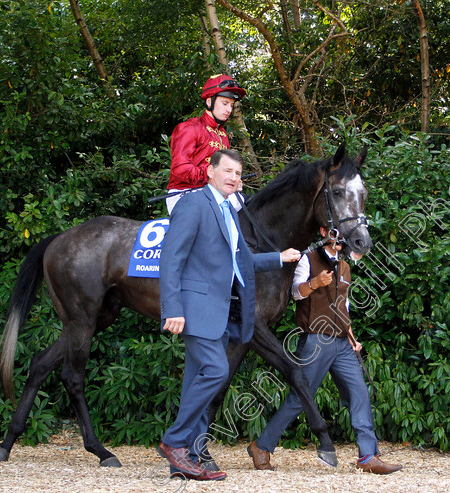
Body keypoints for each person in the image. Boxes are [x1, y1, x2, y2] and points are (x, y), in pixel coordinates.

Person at [157, 149, 301, 481]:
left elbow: (241, 262)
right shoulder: (194, 204)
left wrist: (279, 258)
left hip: (222, 311)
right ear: (209, 172)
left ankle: (188, 455)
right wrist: (173, 309)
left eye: (238, 173)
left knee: (196, 380)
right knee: (217, 370)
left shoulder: (229, 211)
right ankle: (174, 441)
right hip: (195, 309)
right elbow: (170, 259)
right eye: (228, 171)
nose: (234, 177)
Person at [246, 227, 403, 475]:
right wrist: (315, 283)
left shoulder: (345, 267)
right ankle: (262, 446)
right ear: (324, 231)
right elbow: (296, 293)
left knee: (359, 393)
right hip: (315, 341)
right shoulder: (307, 259)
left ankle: (368, 456)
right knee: (299, 399)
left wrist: (352, 337)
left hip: (342, 342)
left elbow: (345, 306)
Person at [165, 74, 246, 214]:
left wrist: (232, 181)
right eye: (225, 103)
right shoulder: (189, 128)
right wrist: (213, 175)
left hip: (210, 192)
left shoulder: (223, 135)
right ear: (210, 102)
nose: (229, 110)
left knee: (241, 202)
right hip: (184, 192)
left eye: (231, 105)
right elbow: (180, 170)